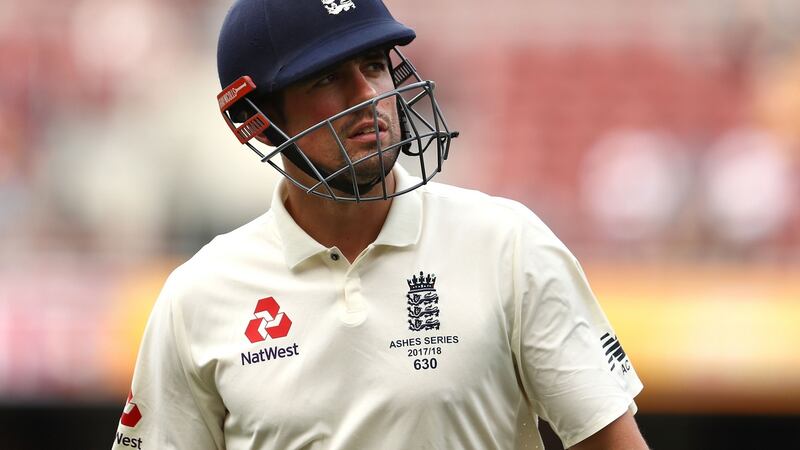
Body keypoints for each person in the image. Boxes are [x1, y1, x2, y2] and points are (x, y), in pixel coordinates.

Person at [112, 1, 648, 449]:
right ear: (260, 120)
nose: (369, 97)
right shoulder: (199, 297)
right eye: (326, 78)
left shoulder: (508, 245)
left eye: (372, 65)